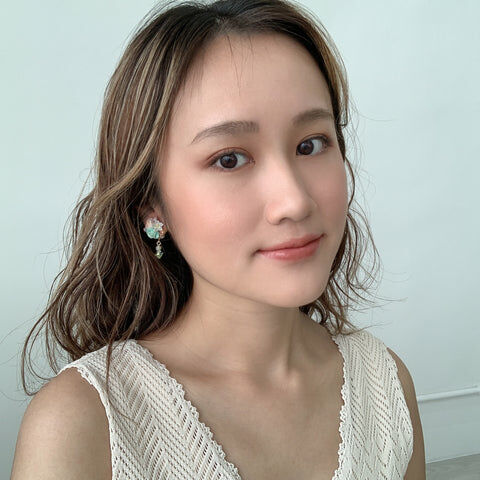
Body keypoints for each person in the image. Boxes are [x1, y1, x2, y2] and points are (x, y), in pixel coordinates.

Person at [11, 0, 426, 478]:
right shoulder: (84, 424)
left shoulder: (385, 384)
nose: (294, 201)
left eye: (310, 145)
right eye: (229, 159)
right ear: (152, 204)